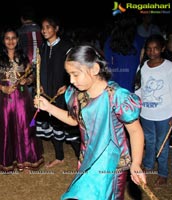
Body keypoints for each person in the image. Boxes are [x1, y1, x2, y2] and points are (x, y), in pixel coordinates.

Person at [34, 44, 146, 199]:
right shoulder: (78, 95)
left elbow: (135, 131)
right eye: (69, 75)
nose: (71, 81)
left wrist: (136, 163)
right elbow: (74, 121)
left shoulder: (116, 97)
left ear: (94, 69)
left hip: (110, 165)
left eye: (75, 74)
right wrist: (48, 107)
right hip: (87, 157)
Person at [0, 27, 44, 172]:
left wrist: (28, 80)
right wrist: (3, 88)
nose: (11, 41)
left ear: (18, 40)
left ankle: (27, 161)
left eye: (13, 38)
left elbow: (31, 76)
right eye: (7, 38)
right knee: (8, 127)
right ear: (3, 40)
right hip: (6, 98)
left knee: (25, 127)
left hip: (23, 97)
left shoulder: (23, 56)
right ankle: (8, 162)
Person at [36, 16, 75, 168]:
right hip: (48, 92)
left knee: (70, 123)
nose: (44, 30)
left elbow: (73, 68)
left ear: (56, 28)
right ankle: (59, 156)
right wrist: (39, 85)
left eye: (48, 27)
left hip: (63, 91)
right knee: (53, 123)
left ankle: (82, 156)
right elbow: (39, 69)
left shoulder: (67, 47)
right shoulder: (42, 48)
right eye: (42, 27)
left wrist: (67, 85)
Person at [135, 34, 172, 187]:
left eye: (156, 49)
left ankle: (163, 173)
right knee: (149, 141)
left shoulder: (169, 66)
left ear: (162, 49)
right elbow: (140, 88)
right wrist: (136, 106)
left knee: (161, 145)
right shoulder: (142, 66)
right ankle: (148, 165)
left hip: (164, 114)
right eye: (149, 49)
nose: (152, 52)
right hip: (146, 114)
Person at [103, 14, 142, 92]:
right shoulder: (140, 40)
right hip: (134, 83)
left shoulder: (110, 41)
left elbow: (107, 64)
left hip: (116, 82)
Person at [17, 6, 43, 96]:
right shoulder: (42, 29)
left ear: (22, 19)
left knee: (26, 90)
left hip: (26, 66)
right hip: (41, 64)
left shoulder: (19, 32)